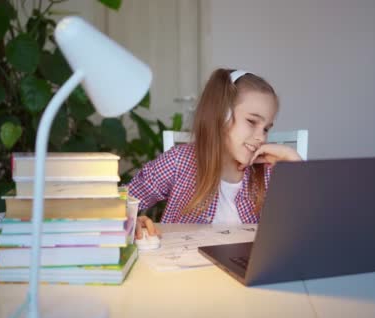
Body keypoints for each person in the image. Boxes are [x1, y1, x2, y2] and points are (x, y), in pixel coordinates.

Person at [128, 68, 301, 239]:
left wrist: (296, 165)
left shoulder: (267, 172)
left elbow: (308, 227)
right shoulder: (178, 161)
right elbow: (121, 203)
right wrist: (132, 220)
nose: (260, 137)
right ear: (222, 115)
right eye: (251, 121)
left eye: (266, 129)